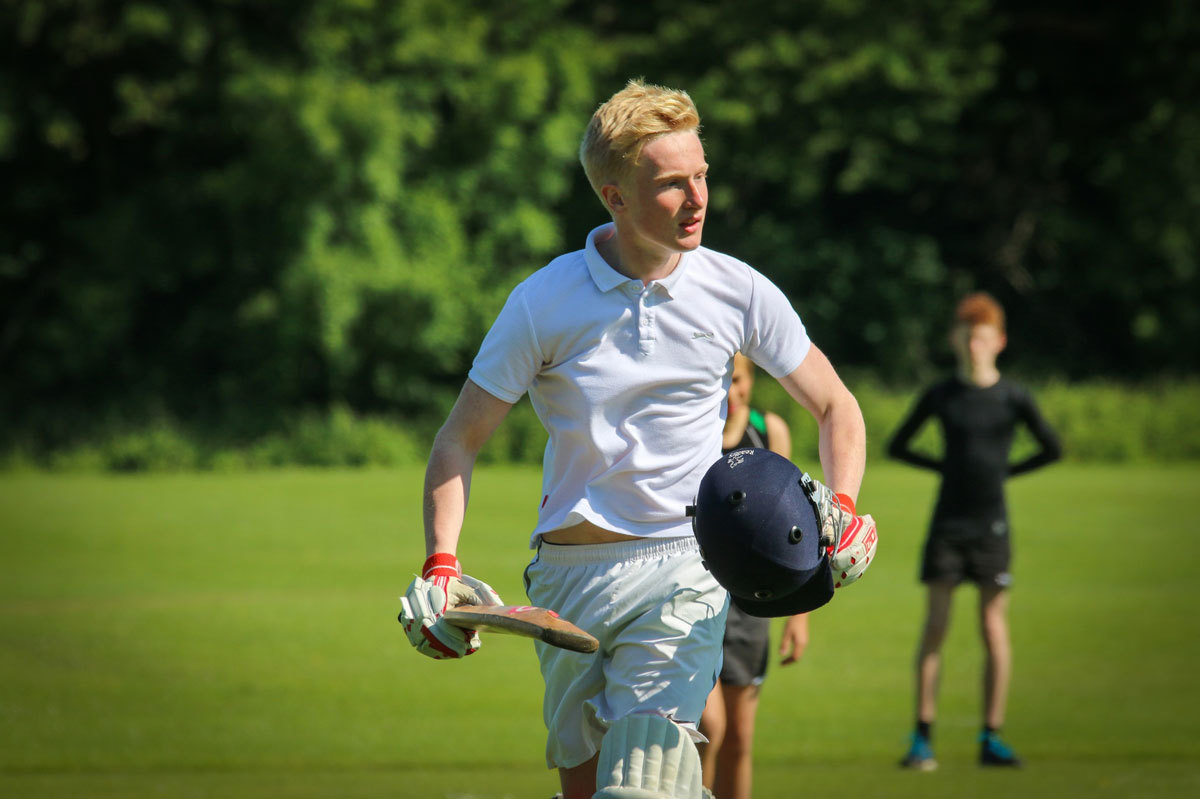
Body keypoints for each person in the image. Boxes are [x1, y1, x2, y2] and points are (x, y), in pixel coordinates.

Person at [398, 79, 872, 799]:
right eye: (672, 184)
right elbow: (458, 441)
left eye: (702, 176)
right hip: (567, 579)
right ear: (615, 197)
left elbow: (837, 405)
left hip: (686, 569)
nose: (698, 198)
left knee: (642, 786)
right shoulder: (543, 301)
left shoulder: (736, 289)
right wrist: (440, 564)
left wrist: (841, 506)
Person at [888, 292, 1062, 770]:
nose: (974, 346)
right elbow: (898, 444)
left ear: (999, 341)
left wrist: (1006, 473)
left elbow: (1052, 448)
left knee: (992, 627)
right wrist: (943, 467)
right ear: (955, 340)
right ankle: (922, 737)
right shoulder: (942, 394)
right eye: (967, 337)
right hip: (947, 523)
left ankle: (992, 736)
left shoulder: (1013, 396)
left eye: (983, 338)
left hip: (992, 525)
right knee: (936, 627)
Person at [699, 353, 809, 799]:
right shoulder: (690, 431)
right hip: (695, 595)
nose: (729, 390)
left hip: (750, 601)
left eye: (738, 379)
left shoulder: (769, 431)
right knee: (706, 729)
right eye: (720, 379)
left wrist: (799, 613)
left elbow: (794, 525)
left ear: (751, 380)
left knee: (740, 740)